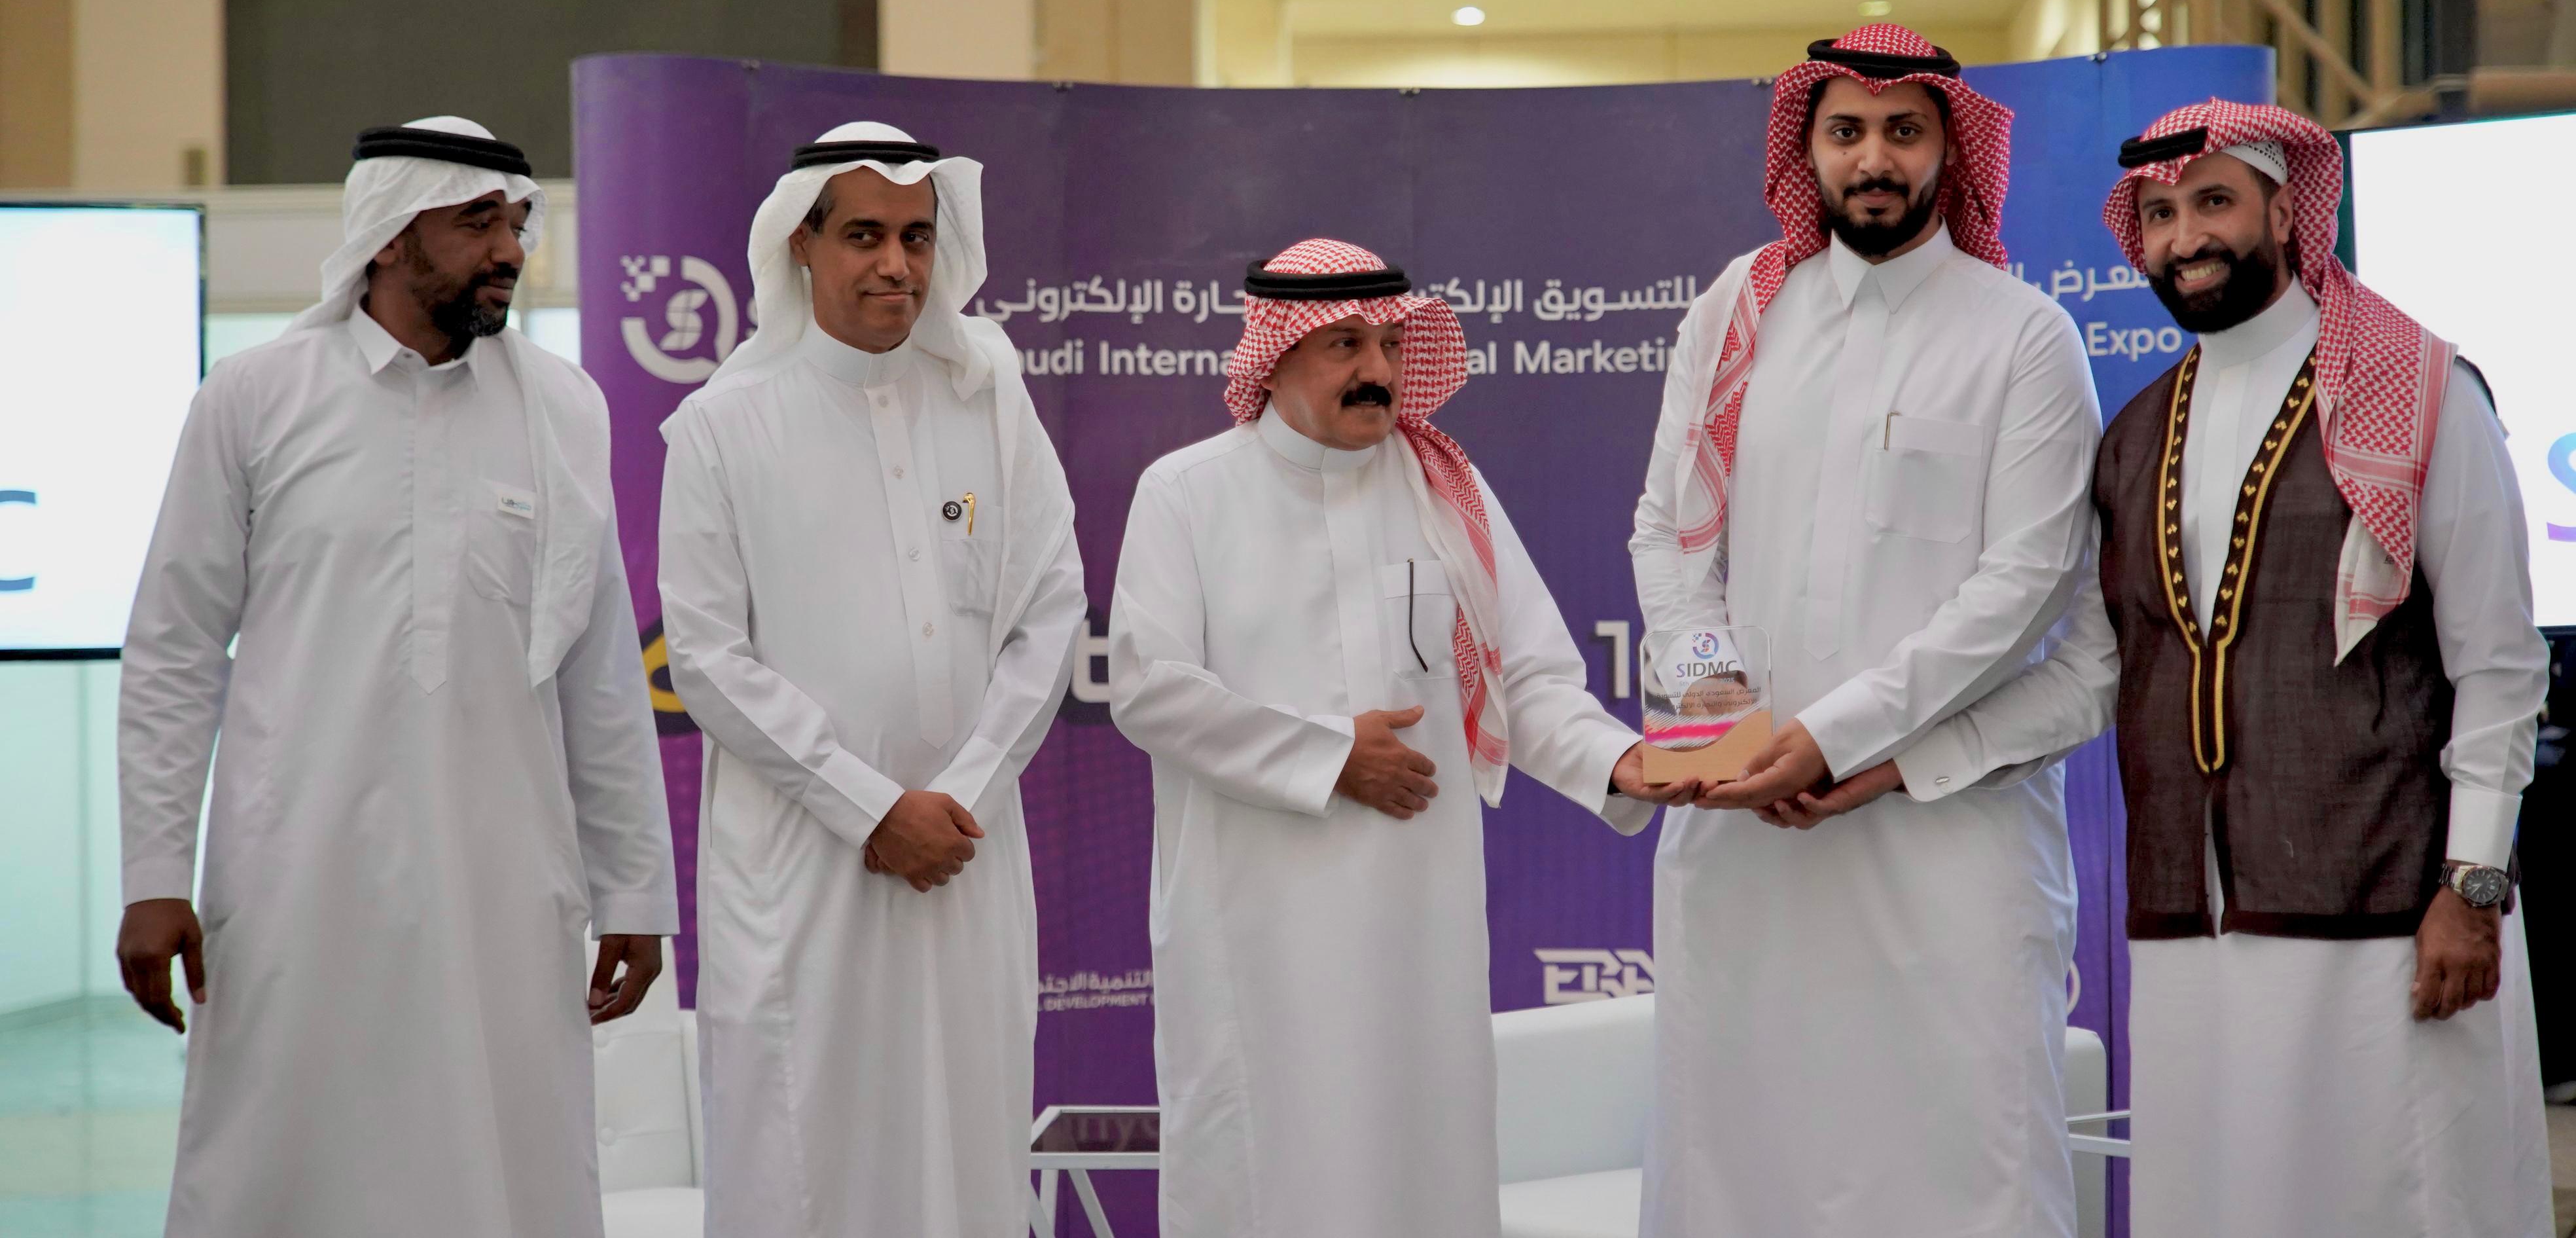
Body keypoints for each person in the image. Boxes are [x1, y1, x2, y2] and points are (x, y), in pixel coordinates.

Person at [116, 117, 677, 1238]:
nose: (509, 249)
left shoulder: (564, 410)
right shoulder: (256, 397)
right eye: (477, 223)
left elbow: (601, 668)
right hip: (297, 874)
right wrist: (153, 873)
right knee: (287, 1160)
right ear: (387, 234)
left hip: (501, 876)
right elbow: (176, 646)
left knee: (502, 1158)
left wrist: (636, 891)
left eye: (516, 223)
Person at [1628, 26, 2103, 1236]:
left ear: (1951, 148)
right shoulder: (1736, 313)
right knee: (1741, 1159)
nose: (1874, 159)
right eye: (1845, 132)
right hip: (1748, 832)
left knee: (1962, 1162)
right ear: (1809, 149)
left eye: (1904, 131)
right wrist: (1719, 711)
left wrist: (1834, 735)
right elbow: (1671, 536)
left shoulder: (2022, 334)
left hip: (1945, 841)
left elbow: (2026, 585)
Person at [1107, 238, 1664, 1238]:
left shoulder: (1442, 488)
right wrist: (1330, 756)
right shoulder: (1188, 492)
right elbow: (1150, 688)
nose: (1378, 370)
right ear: (1276, 354)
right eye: (1346, 345)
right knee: (1269, 1173)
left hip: (1418, 927)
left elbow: (1527, 677)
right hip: (1259, 926)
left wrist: (1619, 762)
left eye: (1393, 344)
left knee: (1421, 1172)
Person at [2091, 101, 2552, 1237]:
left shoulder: (2424, 390)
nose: (2185, 237)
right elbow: (2109, 671)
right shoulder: (2135, 434)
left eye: (2214, 202)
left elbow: (2499, 664)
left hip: (2390, 917)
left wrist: (2472, 889)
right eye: (2160, 214)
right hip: (2196, 924)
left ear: (2288, 210)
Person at [658, 122, 1083, 1238]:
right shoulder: (723, 425)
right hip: (804, 859)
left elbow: (1051, 610)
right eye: (863, 236)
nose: (895, 264)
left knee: (969, 1138)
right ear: (800, 244)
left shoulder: (990, 395)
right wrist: (873, 808)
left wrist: (963, 795)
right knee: (806, 1151)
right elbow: (706, 654)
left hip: (968, 853)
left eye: (916, 237)